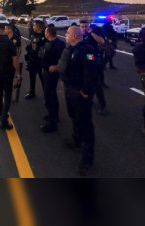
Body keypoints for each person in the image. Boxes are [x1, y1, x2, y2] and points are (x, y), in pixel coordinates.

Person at [59, 26, 98, 176]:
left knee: (85, 123)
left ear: (75, 36)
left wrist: (85, 90)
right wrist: (64, 81)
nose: (66, 35)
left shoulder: (87, 50)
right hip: (70, 88)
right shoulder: (70, 48)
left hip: (80, 91)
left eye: (68, 33)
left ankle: (87, 158)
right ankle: (77, 140)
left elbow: (91, 71)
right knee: (73, 115)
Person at [41, 24, 66, 132]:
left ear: (49, 33)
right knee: (52, 94)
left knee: (49, 96)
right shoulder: (48, 42)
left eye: (46, 32)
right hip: (47, 71)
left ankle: (53, 123)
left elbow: (63, 59)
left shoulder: (59, 44)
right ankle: (54, 115)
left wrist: (56, 67)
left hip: (53, 73)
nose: (44, 33)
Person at [24, 20, 48, 100]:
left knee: (43, 79)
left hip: (40, 61)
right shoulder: (33, 34)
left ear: (38, 27)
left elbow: (43, 49)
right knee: (32, 77)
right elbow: (32, 44)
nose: (33, 27)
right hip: (32, 60)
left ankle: (46, 95)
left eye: (34, 25)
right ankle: (32, 92)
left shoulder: (44, 36)